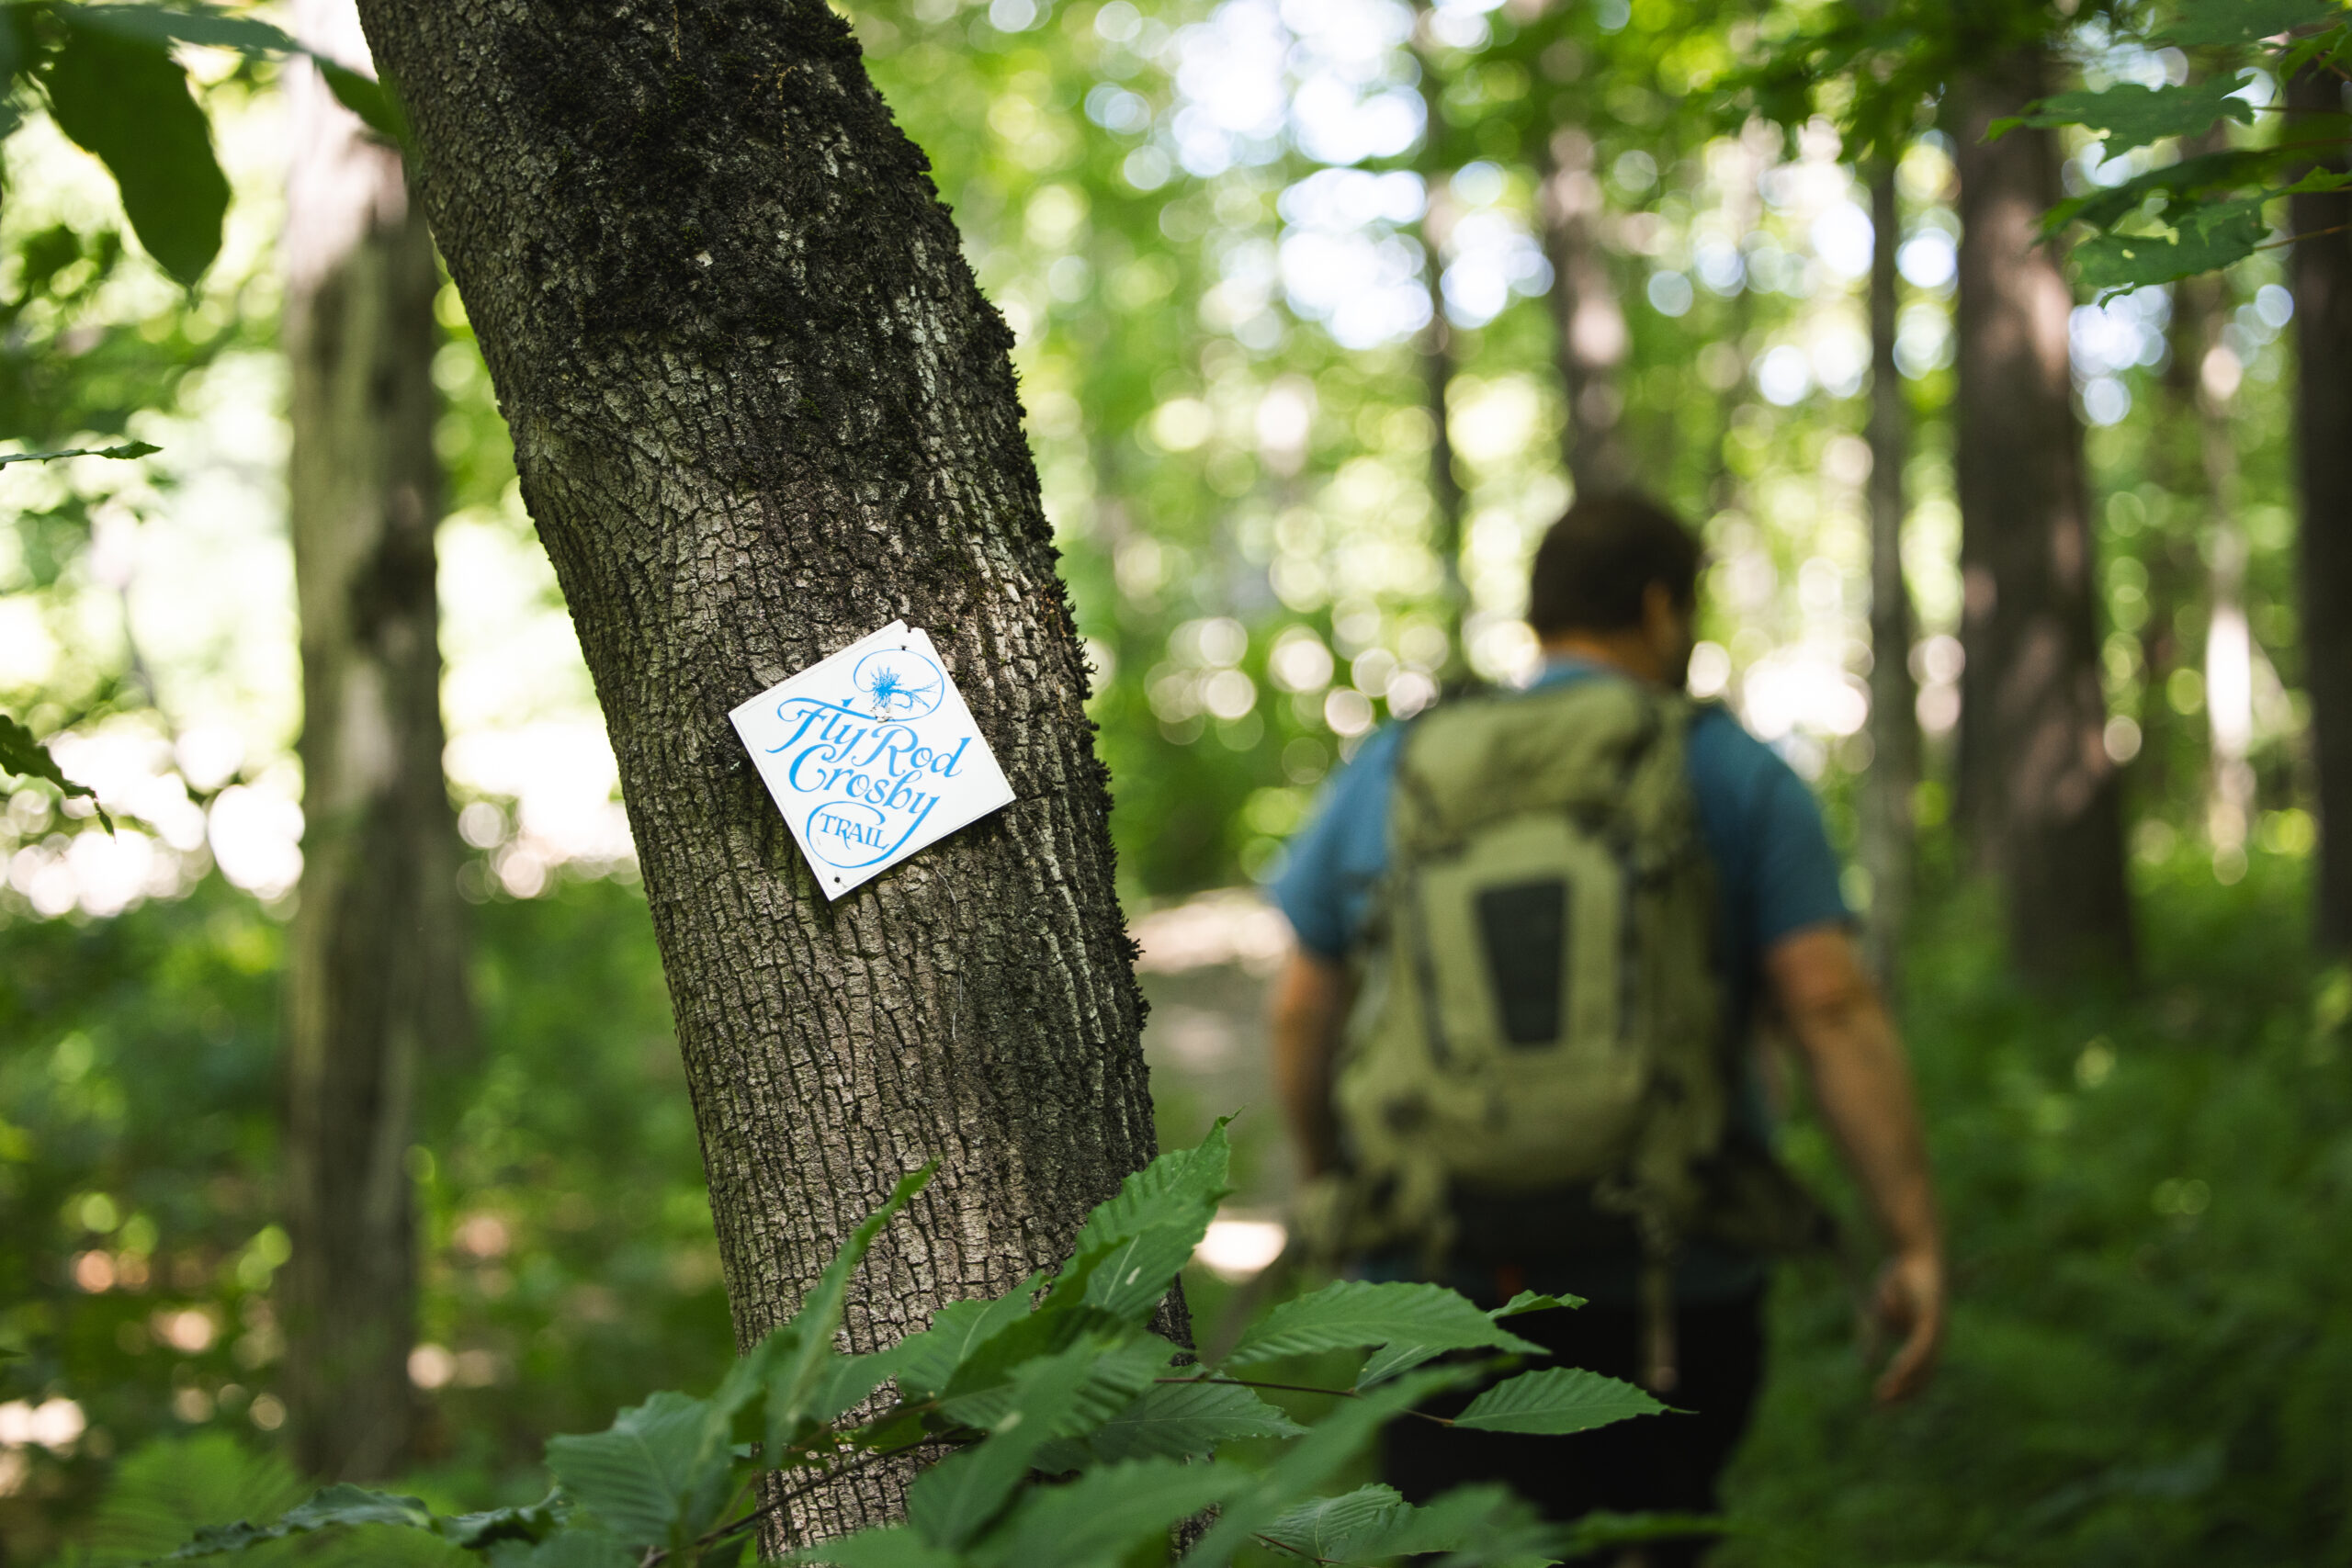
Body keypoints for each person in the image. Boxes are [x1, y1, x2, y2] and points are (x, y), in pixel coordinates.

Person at [1268, 493, 1944, 1562]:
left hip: (1434, 1278)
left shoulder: (1402, 764)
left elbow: (1303, 1004)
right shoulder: (1730, 771)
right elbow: (1827, 1005)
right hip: (1672, 1277)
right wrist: (1909, 1235)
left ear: (1538, 615)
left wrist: (1327, 1182)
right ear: (1660, 608)